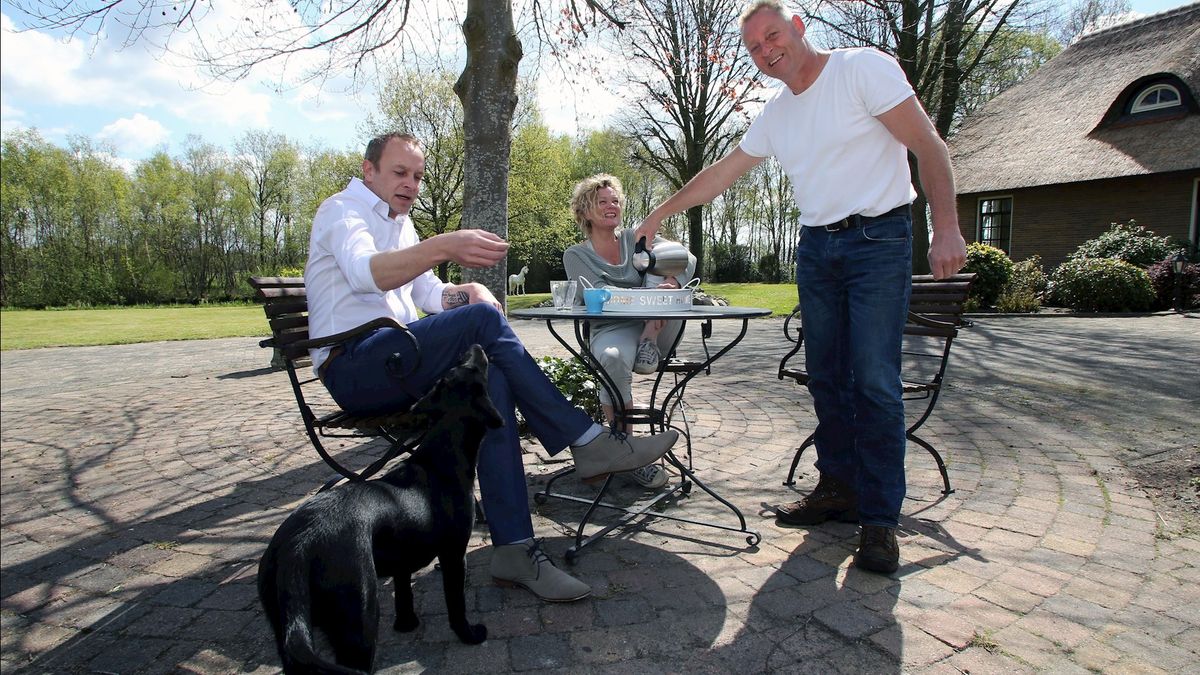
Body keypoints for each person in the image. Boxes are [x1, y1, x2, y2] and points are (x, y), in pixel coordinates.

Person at [635, 1, 967, 575]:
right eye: (755, 47)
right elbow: (721, 174)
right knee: (828, 377)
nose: (766, 50)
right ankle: (838, 488)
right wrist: (659, 213)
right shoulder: (777, 115)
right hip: (817, 250)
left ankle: (881, 522)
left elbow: (929, 148)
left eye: (772, 35)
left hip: (879, 242)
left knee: (876, 382)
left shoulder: (862, 69)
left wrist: (946, 228)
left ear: (798, 27)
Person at [305, 132, 679, 601]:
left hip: (398, 359)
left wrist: (469, 293)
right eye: (400, 173)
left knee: (494, 381)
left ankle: (515, 550)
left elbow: (428, 296)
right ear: (369, 170)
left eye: (418, 176)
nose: (411, 184)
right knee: (481, 324)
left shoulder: (401, 224)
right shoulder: (343, 211)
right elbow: (366, 273)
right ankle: (588, 440)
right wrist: (445, 246)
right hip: (356, 366)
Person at [563, 174, 698, 490]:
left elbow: (686, 259)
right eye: (602, 202)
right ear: (584, 212)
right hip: (613, 326)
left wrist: (673, 284)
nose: (612, 207)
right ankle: (629, 454)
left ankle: (649, 340)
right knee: (611, 359)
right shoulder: (575, 255)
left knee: (662, 264)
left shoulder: (635, 237)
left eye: (615, 201)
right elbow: (598, 295)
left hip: (654, 324)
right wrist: (645, 300)